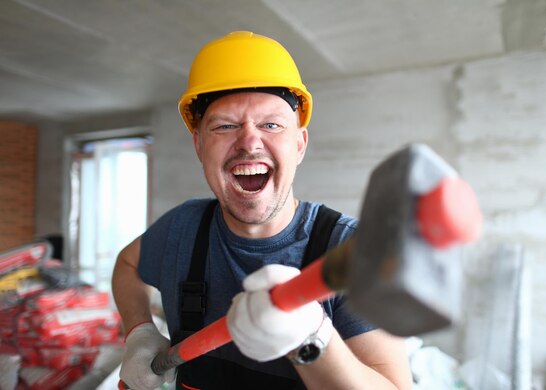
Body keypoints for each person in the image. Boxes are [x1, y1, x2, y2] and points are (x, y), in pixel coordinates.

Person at [112, 31, 412, 390]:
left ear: (299, 144)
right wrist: (139, 332)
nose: (250, 142)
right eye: (225, 126)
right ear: (199, 145)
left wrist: (311, 339)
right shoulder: (183, 229)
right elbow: (127, 266)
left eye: (271, 124)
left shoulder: (352, 252)